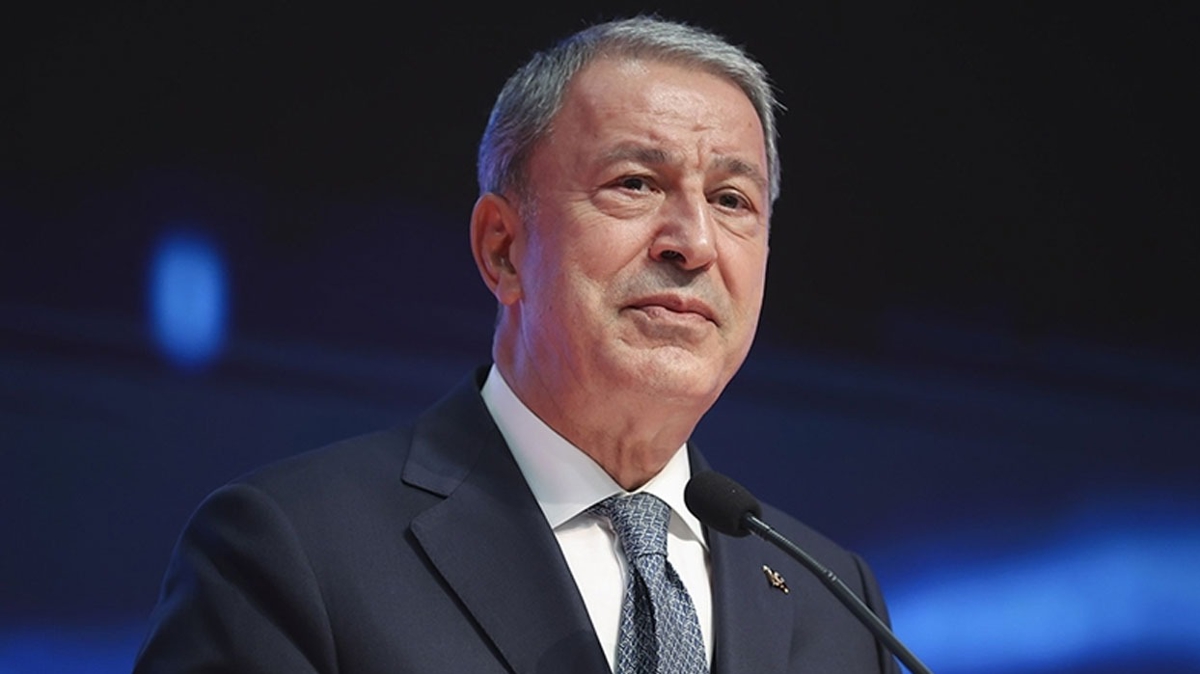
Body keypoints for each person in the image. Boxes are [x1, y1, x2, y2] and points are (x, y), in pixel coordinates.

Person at [134, 16, 898, 674]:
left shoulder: (835, 599)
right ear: (502, 249)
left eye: (732, 200)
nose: (694, 242)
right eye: (635, 183)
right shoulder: (291, 549)